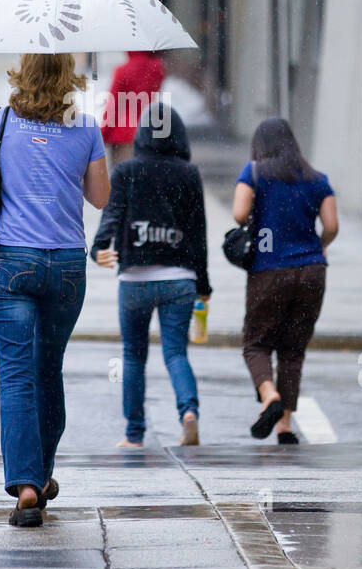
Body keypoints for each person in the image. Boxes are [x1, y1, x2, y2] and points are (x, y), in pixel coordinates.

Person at [0, 53, 110, 527]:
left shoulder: (0, 122)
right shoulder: (85, 128)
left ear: (23, 75)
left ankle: (25, 485)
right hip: (64, 265)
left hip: (10, 264)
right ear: (69, 80)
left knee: (17, 375)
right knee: (49, 370)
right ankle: (41, 476)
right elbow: (100, 198)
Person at [91, 100, 211, 448]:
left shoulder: (126, 171)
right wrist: (203, 284)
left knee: (133, 356)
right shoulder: (189, 174)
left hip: (135, 280)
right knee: (176, 354)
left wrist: (99, 247)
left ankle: (134, 434)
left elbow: (111, 215)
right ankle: (189, 413)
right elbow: (197, 231)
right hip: (179, 278)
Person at [232, 117, 338, 443]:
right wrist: (314, 249)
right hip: (312, 271)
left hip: (269, 269)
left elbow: (238, 214)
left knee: (256, 343)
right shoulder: (317, 179)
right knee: (293, 351)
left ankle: (270, 397)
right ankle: (286, 426)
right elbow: (332, 225)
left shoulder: (254, 172)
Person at [100, 50, 165, 165]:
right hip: (148, 133)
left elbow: (113, 106)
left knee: (122, 179)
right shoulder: (157, 69)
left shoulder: (122, 71)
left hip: (123, 136)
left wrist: (101, 137)